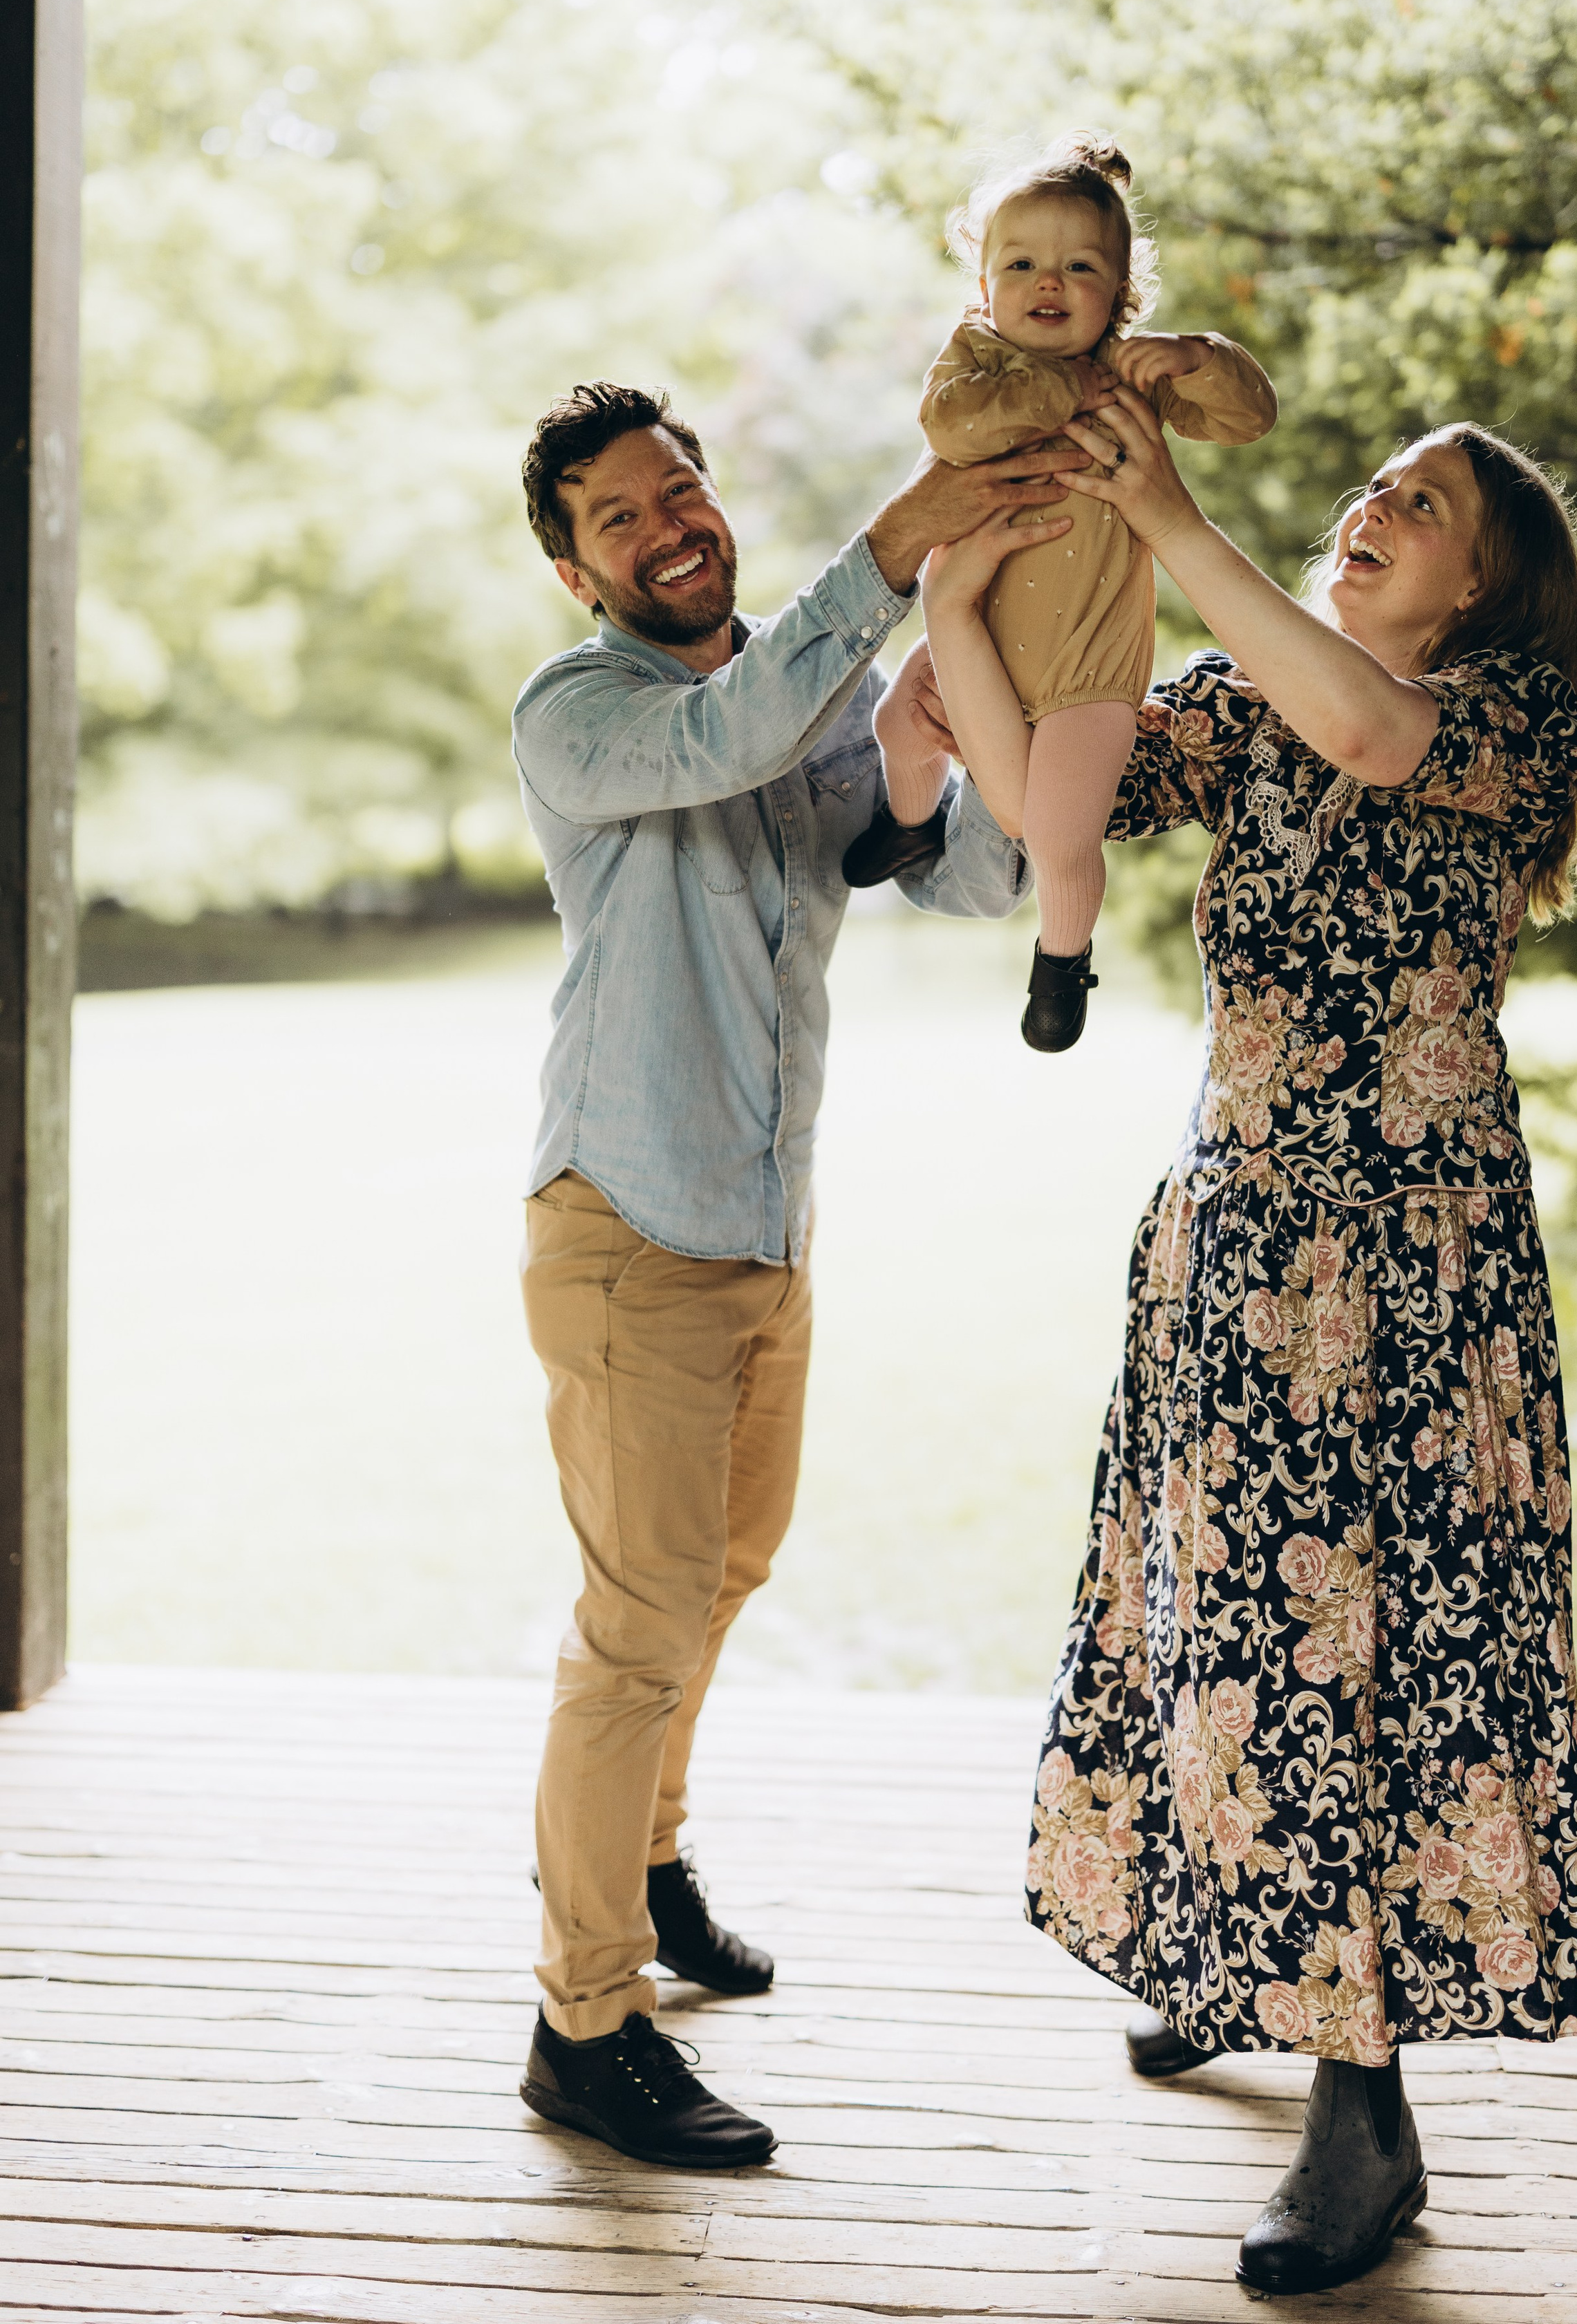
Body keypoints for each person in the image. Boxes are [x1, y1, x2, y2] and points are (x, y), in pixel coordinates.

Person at [923, 392, 1577, 2293]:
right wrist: (961, 604)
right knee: (1227, 1634)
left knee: (1364, 1664)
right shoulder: (1248, 702)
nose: (1372, 505)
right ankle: (1248, 1953)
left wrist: (1170, 517)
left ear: (1484, 585)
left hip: (1407, 1277)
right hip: (1233, 1242)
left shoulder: (1507, 719)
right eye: (1372, 484)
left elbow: (1374, 733)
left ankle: (1363, 2119)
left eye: (1424, 502)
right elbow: (1046, 804)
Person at [507, 379, 1072, 2174]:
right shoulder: (582, 712)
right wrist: (899, 547)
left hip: (765, 1231)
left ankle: (649, 1864)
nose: (667, 526)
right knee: (635, 1627)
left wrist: (933, 730)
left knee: (720, 1580)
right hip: (630, 1235)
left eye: (678, 488)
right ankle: (581, 2027)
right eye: (618, 516)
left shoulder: (805, 685)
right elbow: (732, 740)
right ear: (574, 571)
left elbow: (965, 878)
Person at [850, 133, 1276, 1052]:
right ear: (985, 287)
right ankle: (911, 824)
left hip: (1090, 668)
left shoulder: (1134, 376)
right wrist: (1059, 389)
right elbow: (954, 429)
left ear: (1119, 295)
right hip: (982, 634)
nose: (1049, 281)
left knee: (1056, 833)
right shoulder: (977, 361)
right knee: (899, 721)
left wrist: (1196, 356)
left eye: (1080, 266)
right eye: (1022, 264)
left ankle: (1062, 961)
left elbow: (1249, 416)